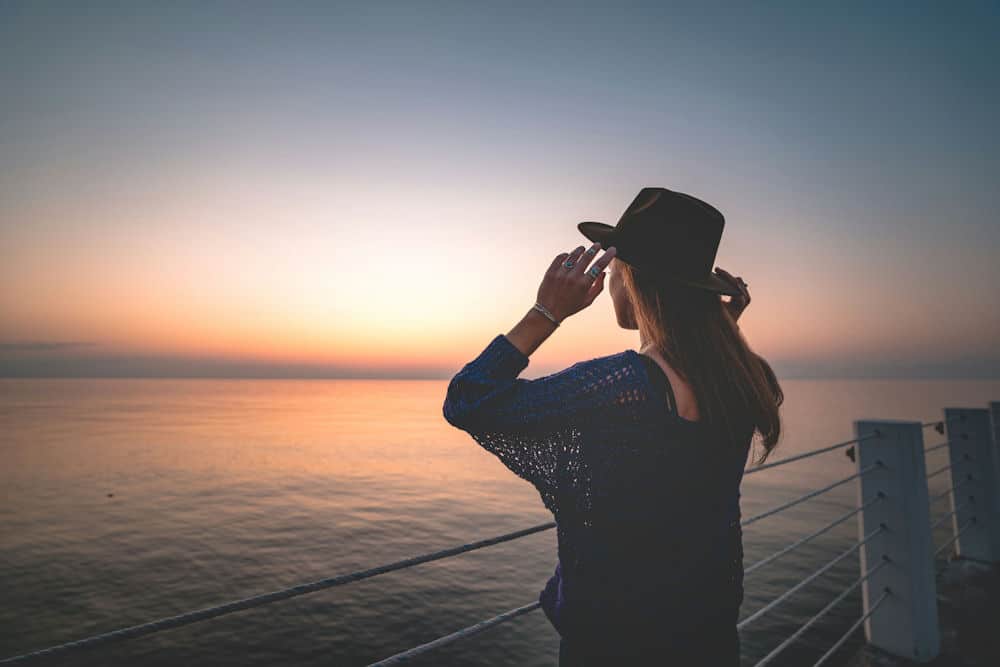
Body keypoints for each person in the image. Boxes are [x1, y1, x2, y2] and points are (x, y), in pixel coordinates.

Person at [442, 188, 783, 665]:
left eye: (617, 273)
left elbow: (468, 400)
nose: (613, 287)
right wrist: (719, 320)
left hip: (615, 641)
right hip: (708, 630)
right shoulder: (745, 378)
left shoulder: (624, 385)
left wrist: (547, 311)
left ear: (635, 281)